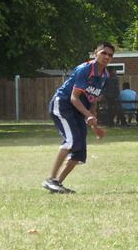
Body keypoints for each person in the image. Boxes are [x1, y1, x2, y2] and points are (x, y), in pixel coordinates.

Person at [43, 43, 113, 194]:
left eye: (110, 55)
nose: (107, 56)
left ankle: (57, 183)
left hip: (78, 110)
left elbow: (92, 101)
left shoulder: (105, 77)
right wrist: (88, 115)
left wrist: (95, 127)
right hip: (63, 104)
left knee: (79, 151)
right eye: (104, 53)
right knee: (71, 141)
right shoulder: (85, 69)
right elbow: (74, 98)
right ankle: (50, 179)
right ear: (96, 53)